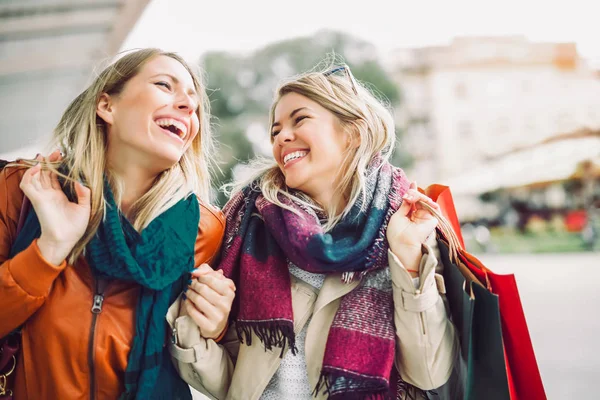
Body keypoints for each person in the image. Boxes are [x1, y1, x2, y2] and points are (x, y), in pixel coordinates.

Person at [168, 63, 459, 400]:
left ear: (352, 132)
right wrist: (203, 330)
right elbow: (235, 384)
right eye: (275, 130)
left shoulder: (407, 223)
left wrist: (407, 254)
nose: (281, 137)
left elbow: (428, 371)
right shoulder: (250, 225)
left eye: (299, 119)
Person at [0, 48, 235, 400]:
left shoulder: (205, 230)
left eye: (194, 101)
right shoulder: (22, 190)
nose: (188, 105)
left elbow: (222, 362)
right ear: (107, 106)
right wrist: (49, 249)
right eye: (164, 85)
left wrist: (214, 327)